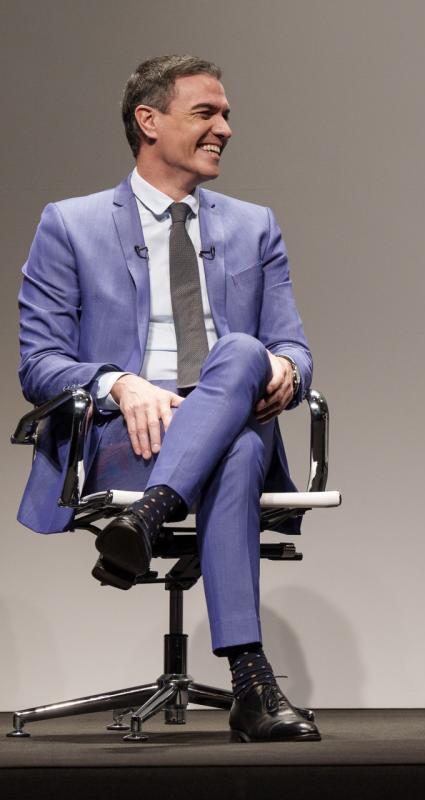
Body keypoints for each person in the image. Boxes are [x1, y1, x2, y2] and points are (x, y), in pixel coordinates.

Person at [17, 56, 319, 742]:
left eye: (227, 115)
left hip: (220, 416)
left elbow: (295, 350)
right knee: (237, 446)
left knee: (242, 358)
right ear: (148, 122)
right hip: (128, 438)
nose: (226, 129)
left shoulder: (254, 226)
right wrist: (119, 383)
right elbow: (38, 365)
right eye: (206, 113)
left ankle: (151, 520)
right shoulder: (70, 224)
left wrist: (284, 371)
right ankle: (252, 685)